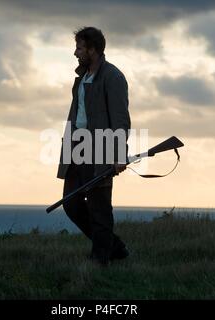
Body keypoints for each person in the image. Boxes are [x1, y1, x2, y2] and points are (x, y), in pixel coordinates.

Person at [56, 27, 131, 265]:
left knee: (99, 208)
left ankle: (101, 259)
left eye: (79, 48)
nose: (75, 52)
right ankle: (114, 247)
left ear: (93, 50)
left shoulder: (113, 77)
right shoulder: (81, 77)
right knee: (71, 203)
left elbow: (120, 119)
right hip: (77, 146)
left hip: (100, 149)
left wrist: (118, 154)